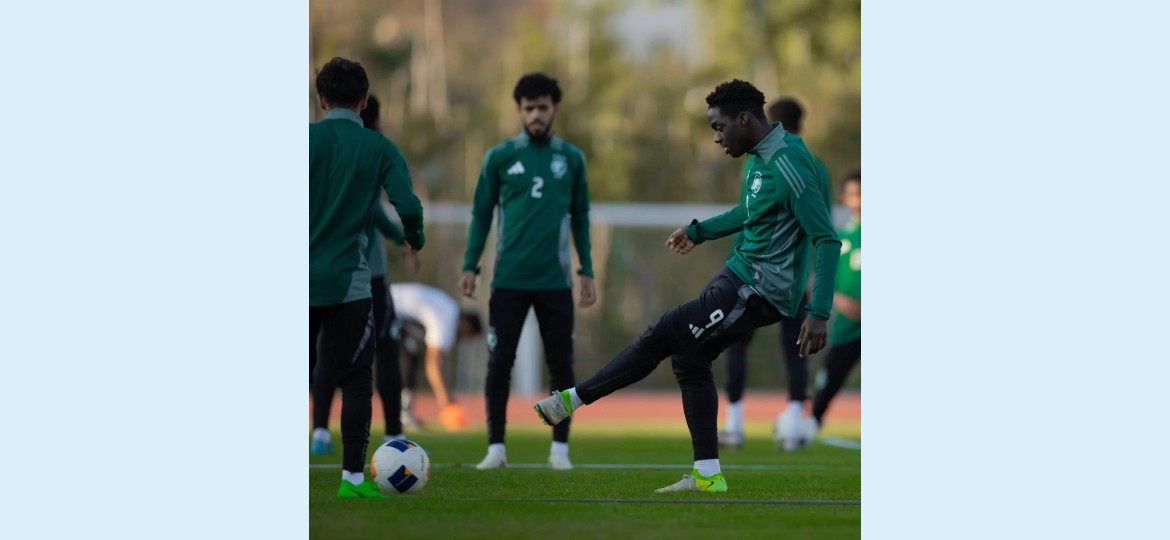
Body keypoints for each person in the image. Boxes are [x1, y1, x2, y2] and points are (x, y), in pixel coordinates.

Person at [532, 80, 840, 493]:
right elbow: (750, 212)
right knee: (689, 359)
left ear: (743, 119)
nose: (716, 138)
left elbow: (826, 238)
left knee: (665, 330)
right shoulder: (759, 156)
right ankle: (708, 476)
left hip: (760, 289)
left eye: (719, 128)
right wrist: (699, 231)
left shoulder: (790, 164)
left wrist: (818, 312)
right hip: (739, 272)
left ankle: (573, 399)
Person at [460, 73, 596, 471]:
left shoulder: (571, 159)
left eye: (542, 107)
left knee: (561, 365)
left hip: (555, 281)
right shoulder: (499, 157)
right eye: (529, 108)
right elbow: (481, 214)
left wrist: (586, 269)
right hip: (508, 281)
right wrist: (470, 265)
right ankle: (496, 448)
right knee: (499, 362)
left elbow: (581, 217)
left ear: (555, 109)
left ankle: (559, 450)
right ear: (519, 111)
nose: (536, 115)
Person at [310, 57, 425, 499]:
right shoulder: (379, 147)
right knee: (358, 377)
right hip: (350, 285)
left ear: (321, 100)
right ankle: (353, 481)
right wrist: (414, 238)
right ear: (363, 101)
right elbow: (407, 206)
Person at [716, 96, 833, 451]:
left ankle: (734, 423)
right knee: (796, 346)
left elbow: (747, 218)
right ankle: (793, 424)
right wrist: (813, 278)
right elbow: (822, 230)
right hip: (795, 277)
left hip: (751, 272)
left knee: (734, 343)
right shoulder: (818, 167)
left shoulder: (757, 161)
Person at [807, 169, 861, 437]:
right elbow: (819, 280)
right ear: (845, 198)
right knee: (827, 383)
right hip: (848, 327)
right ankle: (809, 425)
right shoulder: (840, 237)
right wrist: (839, 300)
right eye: (854, 194)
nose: (859, 200)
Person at [389, 282, 482, 431]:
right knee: (407, 355)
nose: (462, 339)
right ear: (465, 323)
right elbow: (434, 365)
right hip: (383, 306)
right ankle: (402, 414)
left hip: (391, 308)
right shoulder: (448, 319)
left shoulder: (448, 308)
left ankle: (403, 413)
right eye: (467, 335)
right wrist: (448, 404)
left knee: (410, 353)